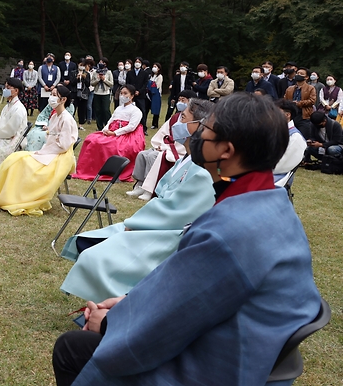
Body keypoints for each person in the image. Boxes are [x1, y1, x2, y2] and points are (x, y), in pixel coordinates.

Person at [52, 93, 322, 386]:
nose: (197, 135)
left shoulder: (228, 232)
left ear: (226, 151)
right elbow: (182, 295)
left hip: (220, 368)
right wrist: (129, 302)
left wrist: (108, 324)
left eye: (206, 129)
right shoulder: (273, 204)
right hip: (251, 353)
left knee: (71, 349)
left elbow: (165, 325)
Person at [59, 98, 217, 303]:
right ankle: (104, 305)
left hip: (169, 234)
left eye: (183, 117)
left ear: (200, 126)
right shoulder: (188, 158)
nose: (177, 121)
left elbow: (176, 210)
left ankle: (113, 307)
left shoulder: (202, 168)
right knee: (87, 242)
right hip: (155, 223)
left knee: (96, 257)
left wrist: (136, 224)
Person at [0, 86, 78, 215]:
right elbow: (50, 138)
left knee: (24, 162)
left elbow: (64, 145)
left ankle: (17, 197)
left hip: (60, 156)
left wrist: (43, 152)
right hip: (49, 151)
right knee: (14, 158)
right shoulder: (54, 117)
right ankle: (7, 195)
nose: (51, 97)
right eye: (51, 94)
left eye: (54, 95)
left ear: (63, 99)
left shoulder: (67, 119)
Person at [126, 89, 197, 200]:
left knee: (153, 156)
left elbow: (184, 139)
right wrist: (159, 144)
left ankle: (148, 188)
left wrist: (165, 147)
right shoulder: (175, 117)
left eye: (183, 100)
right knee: (142, 154)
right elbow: (164, 132)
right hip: (166, 145)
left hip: (177, 149)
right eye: (179, 100)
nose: (180, 103)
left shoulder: (192, 119)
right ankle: (140, 183)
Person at [72, 85, 145, 182]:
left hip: (124, 135)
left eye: (125, 93)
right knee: (91, 139)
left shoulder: (136, 111)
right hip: (112, 131)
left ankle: (107, 170)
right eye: (121, 93)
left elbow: (131, 127)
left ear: (132, 96)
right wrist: (105, 129)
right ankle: (88, 169)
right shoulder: (118, 108)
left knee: (107, 145)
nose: (122, 96)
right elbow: (110, 121)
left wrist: (114, 133)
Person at [274, 99, 309, 181]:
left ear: (287, 115)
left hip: (276, 180)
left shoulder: (295, 138)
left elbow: (282, 165)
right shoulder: (274, 131)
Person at [90, 59, 113, 132]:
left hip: (105, 93)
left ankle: (107, 125)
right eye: (99, 62)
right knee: (98, 110)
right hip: (97, 93)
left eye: (102, 62)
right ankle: (99, 127)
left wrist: (104, 79)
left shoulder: (109, 72)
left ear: (105, 64)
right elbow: (92, 83)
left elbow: (111, 84)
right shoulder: (95, 72)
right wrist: (97, 79)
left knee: (106, 110)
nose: (100, 63)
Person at [145, 62, 162, 129]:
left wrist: (151, 84)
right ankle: (144, 122)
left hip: (155, 94)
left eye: (156, 67)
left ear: (159, 69)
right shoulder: (150, 76)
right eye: (153, 66)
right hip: (148, 94)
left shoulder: (160, 76)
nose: (154, 68)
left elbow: (157, 85)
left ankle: (155, 124)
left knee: (156, 109)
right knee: (146, 109)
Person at [73, 60, 91, 127]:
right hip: (75, 92)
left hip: (84, 93)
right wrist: (76, 78)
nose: (82, 66)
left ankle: (81, 124)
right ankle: (72, 123)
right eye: (80, 65)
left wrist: (84, 78)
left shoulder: (87, 74)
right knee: (73, 108)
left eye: (83, 65)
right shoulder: (73, 72)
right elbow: (72, 82)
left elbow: (88, 84)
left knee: (82, 109)